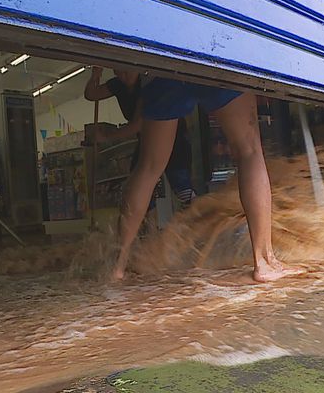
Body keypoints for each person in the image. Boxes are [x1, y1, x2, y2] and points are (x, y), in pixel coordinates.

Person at [112, 77, 306, 282]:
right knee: (249, 151)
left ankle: (117, 265)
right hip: (213, 60)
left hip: (164, 65)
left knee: (148, 167)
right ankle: (265, 262)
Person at [84, 67, 196, 208]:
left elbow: (138, 124)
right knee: (139, 185)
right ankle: (149, 226)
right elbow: (91, 94)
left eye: (127, 70)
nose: (124, 75)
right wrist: (95, 75)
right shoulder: (117, 85)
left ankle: (198, 218)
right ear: (115, 71)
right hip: (147, 141)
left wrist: (107, 136)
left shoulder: (147, 83)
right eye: (120, 71)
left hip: (174, 137)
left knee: (180, 184)